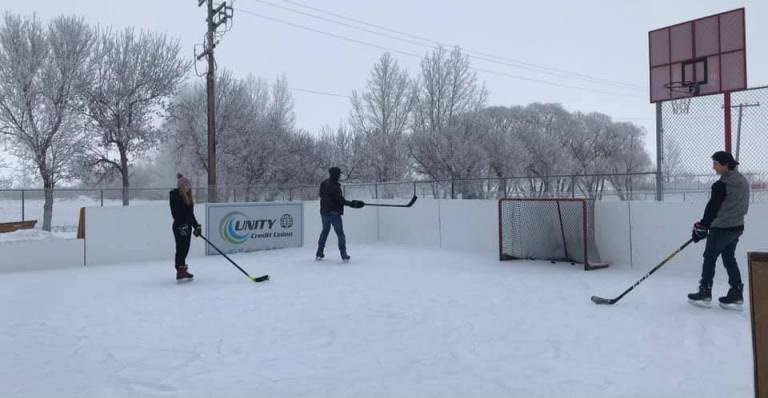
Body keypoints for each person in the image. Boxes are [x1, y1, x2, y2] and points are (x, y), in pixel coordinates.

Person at [688, 151, 750, 310]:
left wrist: (702, 226)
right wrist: (704, 226)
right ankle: (736, 293)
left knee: (709, 257)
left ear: (725, 164)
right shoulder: (742, 181)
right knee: (729, 257)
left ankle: (705, 292)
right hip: (736, 228)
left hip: (721, 228)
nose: (713, 167)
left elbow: (712, 208)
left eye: (715, 163)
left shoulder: (721, 185)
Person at [316, 167, 364, 262]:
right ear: (336, 174)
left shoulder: (323, 183)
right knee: (340, 233)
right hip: (334, 213)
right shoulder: (335, 186)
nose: (340, 176)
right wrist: (353, 204)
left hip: (324, 212)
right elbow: (341, 201)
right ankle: (344, 255)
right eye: (339, 174)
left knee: (325, 231)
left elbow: (321, 195)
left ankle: (319, 253)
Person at [170, 173, 202, 281]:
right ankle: (180, 270)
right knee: (181, 248)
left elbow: (190, 215)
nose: (189, 188)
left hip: (187, 226)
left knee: (186, 248)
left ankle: (182, 269)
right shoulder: (175, 196)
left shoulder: (188, 198)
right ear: (182, 187)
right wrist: (182, 225)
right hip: (179, 226)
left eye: (189, 186)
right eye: (187, 186)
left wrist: (196, 226)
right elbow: (175, 213)